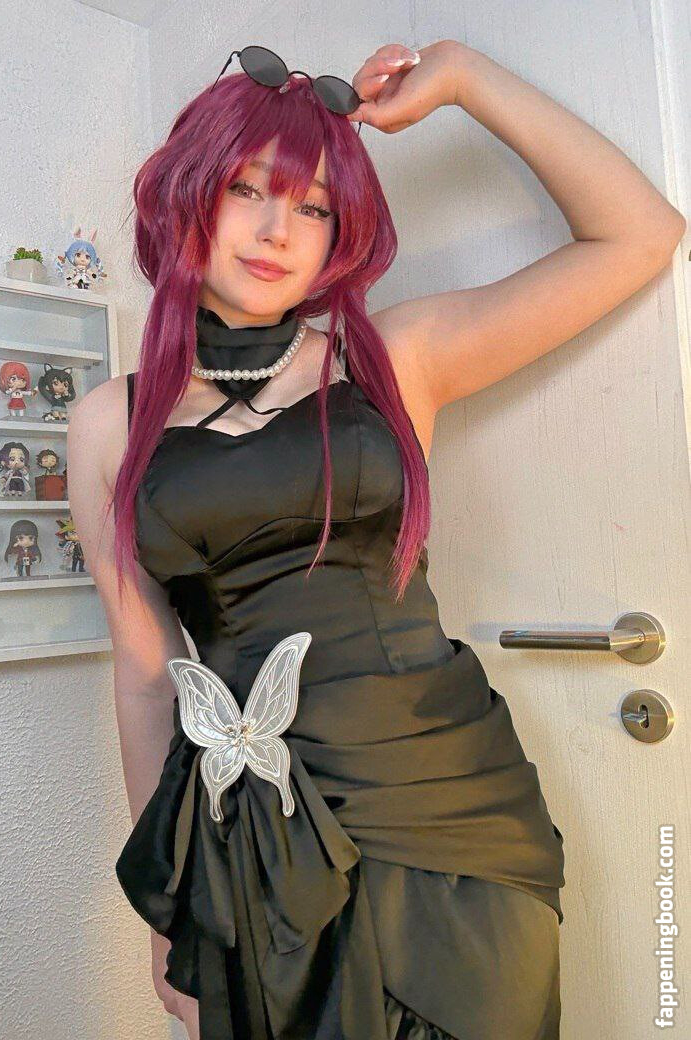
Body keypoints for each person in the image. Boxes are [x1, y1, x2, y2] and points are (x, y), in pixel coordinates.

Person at [67, 40, 685, 1040]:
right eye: (248, 189)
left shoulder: (391, 357)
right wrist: (164, 905)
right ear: (187, 195)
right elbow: (146, 678)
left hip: (453, 818)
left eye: (313, 206)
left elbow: (640, 235)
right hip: (261, 843)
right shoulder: (109, 422)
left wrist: (465, 78)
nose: (278, 229)